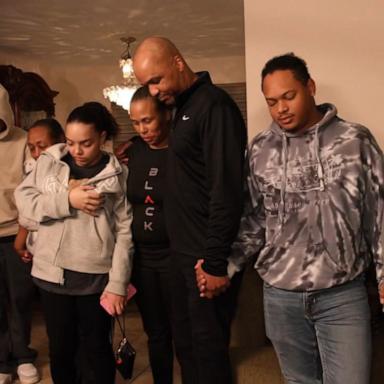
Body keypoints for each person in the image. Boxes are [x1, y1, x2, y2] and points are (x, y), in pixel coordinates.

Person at [226, 53, 384, 384]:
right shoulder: (259, 150)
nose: (281, 108)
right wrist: (225, 265)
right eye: (271, 102)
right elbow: (254, 220)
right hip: (280, 296)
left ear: (310, 87)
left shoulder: (355, 141)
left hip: (342, 294)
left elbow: (379, 212)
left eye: (288, 96)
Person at [133, 37, 247, 384]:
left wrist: (214, 262)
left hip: (204, 258)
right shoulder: (181, 109)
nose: (152, 92)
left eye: (156, 80)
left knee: (208, 352)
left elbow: (225, 189)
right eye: (145, 85)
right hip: (180, 257)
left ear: (178, 62)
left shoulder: (214, 106)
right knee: (187, 348)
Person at [14, 102, 134, 384]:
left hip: (95, 278)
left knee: (97, 351)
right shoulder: (49, 162)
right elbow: (26, 204)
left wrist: (118, 285)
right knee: (61, 351)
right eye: (70, 142)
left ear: (103, 137)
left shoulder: (118, 175)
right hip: (51, 275)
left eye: (86, 143)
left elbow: (125, 234)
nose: (76, 151)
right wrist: (68, 200)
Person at [118, 86, 173, 383]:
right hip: (143, 258)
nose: (143, 129)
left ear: (166, 113)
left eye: (148, 120)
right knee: (156, 333)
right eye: (136, 122)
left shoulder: (183, 147)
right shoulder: (133, 150)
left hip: (176, 256)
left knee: (186, 331)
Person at [0, 84, 39, 384]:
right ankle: (3, 361)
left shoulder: (24, 141)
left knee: (21, 297)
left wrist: (24, 235)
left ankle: (23, 355)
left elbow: (34, 189)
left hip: (16, 231)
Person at [14, 118, 65, 263]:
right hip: (37, 251)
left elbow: (41, 213)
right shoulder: (31, 168)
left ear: (61, 141)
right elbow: (26, 208)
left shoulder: (65, 170)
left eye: (42, 146)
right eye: (31, 148)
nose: (36, 154)